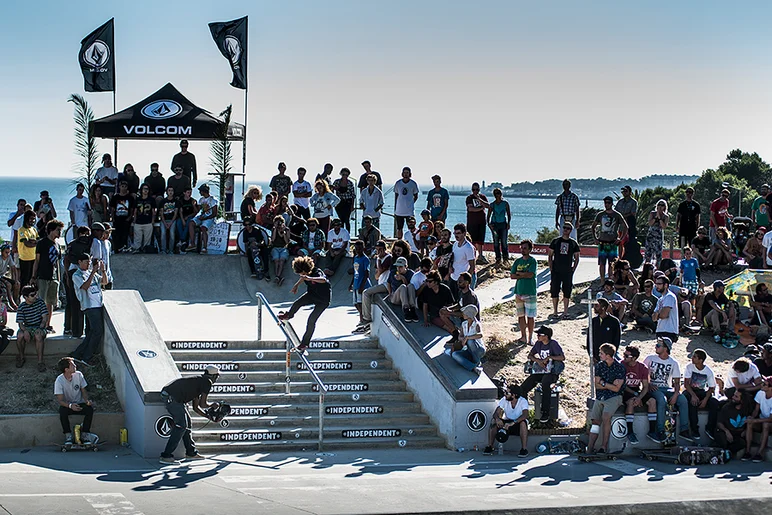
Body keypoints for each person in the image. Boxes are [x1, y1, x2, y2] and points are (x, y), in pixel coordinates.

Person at [159, 366, 219, 464]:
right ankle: (166, 456)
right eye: (217, 376)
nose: (217, 379)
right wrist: (212, 405)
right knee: (181, 426)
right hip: (172, 397)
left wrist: (208, 416)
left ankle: (191, 452)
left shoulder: (199, 381)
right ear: (214, 376)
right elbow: (203, 404)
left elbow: (196, 408)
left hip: (172, 396)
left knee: (187, 425)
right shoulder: (207, 382)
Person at [279, 256, 332, 353]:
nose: (302, 275)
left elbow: (324, 280)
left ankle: (304, 344)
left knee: (311, 320)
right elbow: (303, 278)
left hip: (323, 300)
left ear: (306, 269)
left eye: (303, 273)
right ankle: (289, 315)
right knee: (298, 303)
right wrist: (296, 285)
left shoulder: (317, 272)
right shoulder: (304, 275)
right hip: (312, 295)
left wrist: (310, 278)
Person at [643, 337, 691, 442]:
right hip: (653, 388)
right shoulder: (650, 358)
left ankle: (684, 429)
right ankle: (659, 430)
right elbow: (643, 375)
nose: (656, 347)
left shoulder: (674, 362)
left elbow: (677, 382)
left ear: (666, 349)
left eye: (658, 345)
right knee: (661, 399)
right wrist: (649, 384)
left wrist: (675, 394)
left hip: (667, 388)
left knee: (682, 399)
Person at [587, 343, 626, 454]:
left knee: (606, 417)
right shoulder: (600, 365)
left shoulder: (619, 367)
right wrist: (608, 384)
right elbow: (597, 384)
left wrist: (603, 383)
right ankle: (590, 447)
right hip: (601, 396)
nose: (599, 355)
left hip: (614, 397)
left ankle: (604, 446)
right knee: (595, 421)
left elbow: (617, 389)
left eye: (601, 353)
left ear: (608, 355)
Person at [521, 326, 564, 423]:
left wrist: (549, 357)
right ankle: (524, 411)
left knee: (545, 384)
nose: (537, 336)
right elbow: (530, 355)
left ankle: (545, 412)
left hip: (551, 373)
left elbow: (562, 357)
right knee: (524, 387)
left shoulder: (553, 344)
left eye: (539, 335)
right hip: (541, 371)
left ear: (546, 336)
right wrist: (538, 361)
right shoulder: (538, 344)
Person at [71, 254, 108, 365]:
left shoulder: (91, 273)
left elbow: (105, 282)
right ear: (80, 262)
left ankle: (78, 353)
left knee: (92, 332)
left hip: (98, 305)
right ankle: (87, 356)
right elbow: (85, 287)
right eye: (86, 262)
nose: (88, 264)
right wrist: (93, 272)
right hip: (89, 306)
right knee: (98, 331)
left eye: (89, 262)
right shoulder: (76, 275)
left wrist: (103, 270)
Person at [54, 357, 97, 445]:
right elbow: (60, 400)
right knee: (62, 411)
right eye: (72, 365)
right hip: (68, 405)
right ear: (66, 369)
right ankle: (68, 436)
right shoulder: (59, 381)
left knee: (89, 409)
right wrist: (70, 406)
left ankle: (85, 435)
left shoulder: (79, 375)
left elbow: (83, 391)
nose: (75, 366)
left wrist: (86, 401)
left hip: (79, 403)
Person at [681, 348, 719, 442]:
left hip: (701, 391)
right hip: (690, 391)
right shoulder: (689, 367)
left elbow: (711, 388)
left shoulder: (708, 371)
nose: (692, 358)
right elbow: (686, 384)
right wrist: (693, 395)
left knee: (714, 403)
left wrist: (706, 399)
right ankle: (694, 429)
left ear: (701, 360)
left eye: (694, 357)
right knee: (693, 402)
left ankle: (710, 428)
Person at [621, 345, 657, 445]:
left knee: (652, 401)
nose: (624, 357)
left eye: (626, 355)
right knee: (631, 402)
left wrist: (640, 397)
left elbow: (645, 386)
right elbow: (622, 385)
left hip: (637, 391)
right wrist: (636, 395)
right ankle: (630, 431)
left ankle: (652, 431)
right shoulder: (622, 365)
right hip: (626, 391)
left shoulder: (642, 368)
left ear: (634, 358)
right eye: (624, 354)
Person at [32, 219, 63, 333]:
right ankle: (39, 324)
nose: (60, 233)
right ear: (51, 230)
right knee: (41, 302)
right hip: (43, 276)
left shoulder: (57, 245)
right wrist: (34, 276)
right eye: (58, 230)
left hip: (53, 277)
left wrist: (58, 278)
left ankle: (48, 324)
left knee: (51, 302)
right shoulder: (42, 243)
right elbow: (37, 260)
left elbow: (57, 263)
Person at [483, 383, 530, 457]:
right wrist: (498, 419)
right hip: (507, 422)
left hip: (517, 422)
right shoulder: (504, 400)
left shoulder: (522, 401)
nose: (505, 394)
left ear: (514, 395)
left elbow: (525, 415)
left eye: (507, 393)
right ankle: (490, 447)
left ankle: (524, 449)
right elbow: (496, 413)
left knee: (523, 424)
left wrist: (513, 422)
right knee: (493, 421)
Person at [63, 226, 92, 337]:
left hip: (82, 273)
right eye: (85, 234)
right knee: (73, 303)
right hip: (73, 273)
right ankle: (71, 329)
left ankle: (77, 329)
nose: (87, 237)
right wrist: (66, 275)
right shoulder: (74, 244)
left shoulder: (85, 244)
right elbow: (66, 260)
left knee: (78, 303)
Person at [547, 223, 580, 319]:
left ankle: (565, 312)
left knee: (567, 291)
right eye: (564, 228)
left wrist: (573, 269)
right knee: (554, 290)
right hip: (556, 270)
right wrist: (551, 268)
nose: (566, 230)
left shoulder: (573, 243)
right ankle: (555, 312)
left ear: (571, 230)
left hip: (567, 271)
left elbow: (577, 257)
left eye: (568, 228)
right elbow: (550, 255)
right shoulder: (555, 241)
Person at [592, 196, 628, 280]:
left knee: (612, 263)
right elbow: (593, 227)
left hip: (612, 243)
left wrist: (620, 239)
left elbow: (626, 227)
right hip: (602, 242)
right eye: (605, 203)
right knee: (602, 263)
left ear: (612, 203)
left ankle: (610, 280)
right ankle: (602, 280)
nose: (606, 204)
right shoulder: (600, 215)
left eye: (608, 203)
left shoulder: (617, 215)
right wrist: (595, 238)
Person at [15, 285, 48, 371]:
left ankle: (40, 362)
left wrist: (40, 328)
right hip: (27, 327)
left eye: (35, 294)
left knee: (38, 335)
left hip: (39, 326)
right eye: (32, 295)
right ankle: (21, 358)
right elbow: (20, 323)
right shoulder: (21, 307)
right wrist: (25, 331)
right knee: (19, 336)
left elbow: (44, 319)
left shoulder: (40, 303)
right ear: (25, 297)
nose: (35, 297)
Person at [438, 272, 479, 340]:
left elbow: (466, 315)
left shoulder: (470, 297)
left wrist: (449, 312)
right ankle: (455, 333)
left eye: (460, 281)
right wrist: (449, 308)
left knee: (445, 313)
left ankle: (460, 335)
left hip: (468, 321)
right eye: (458, 281)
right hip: (462, 317)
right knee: (442, 312)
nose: (457, 283)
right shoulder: (461, 292)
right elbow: (459, 304)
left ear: (466, 283)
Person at [744, 376, 772, 462]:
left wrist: (755, 420)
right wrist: (752, 417)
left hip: (769, 422)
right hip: (761, 419)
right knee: (750, 423)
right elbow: (756, 410)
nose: (762, 385)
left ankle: (760, 453)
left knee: (766, 425)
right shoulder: (760, 393)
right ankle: (747, 451)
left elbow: (770, 419)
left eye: (764, 384)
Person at [451, 305, 486, 373]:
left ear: (469, 314)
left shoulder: (477, 324)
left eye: (464, 313)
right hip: (469, 350)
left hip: (479, 349)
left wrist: (467, 338)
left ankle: (477, 362)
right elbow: (460, 337)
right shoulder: (464, 324)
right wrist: (463, 339)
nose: (463, 314)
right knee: (455, 354)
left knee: (470, 341)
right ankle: (474, 367)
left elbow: (480, 335)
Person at [716, 389, 751, 457]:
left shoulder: (747, 409)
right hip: (726, 432)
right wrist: (726, 431)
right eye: (734, 395)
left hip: (737, 435)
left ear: (742, 400)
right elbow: (719, 423)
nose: (733, 397)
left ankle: (727, 452)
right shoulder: (726, 407)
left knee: (742, 443)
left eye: (736, 397)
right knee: (722, 439)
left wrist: (746, 430)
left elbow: (750, 421)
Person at [185, 184, 218, 253]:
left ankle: (205, 247)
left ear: (204, 191)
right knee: (191, 223)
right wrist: (194, 205)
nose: (199, 192)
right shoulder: (201, 199)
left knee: (203, 228)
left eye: (200, 191)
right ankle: (192, 243)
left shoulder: (212, 200)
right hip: (202, 216)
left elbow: (214, 213)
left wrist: (206, 218)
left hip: (209, 217)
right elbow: (197, 211)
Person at [385, 256, 418, 321]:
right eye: (397, 266)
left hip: (407, 298)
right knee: (402, 287)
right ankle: (406, 310)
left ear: (406, 266)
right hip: (396, 297)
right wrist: (390, 293)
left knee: (410, 285)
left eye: (401, 267)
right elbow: (388, 283)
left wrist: (403, 278)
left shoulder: (411, 273)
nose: (398, 269)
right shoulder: (393, 273)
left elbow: (410, 288)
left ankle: (412, 309)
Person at [393, 167, 420, 239]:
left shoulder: (413, 184)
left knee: (411, 227)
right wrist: (396, 208)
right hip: (399, 211)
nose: (405, 174)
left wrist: (410, 203)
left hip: (409, 211)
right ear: (402, 174)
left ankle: (412, 241)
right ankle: (400, 241)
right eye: (404, 173)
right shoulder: (398, 183)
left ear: (410, 174)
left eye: (407, 173)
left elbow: (416, 196)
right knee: (399, 228)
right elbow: (396, 195)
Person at [109, 180, 136, 253]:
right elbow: (112, 208)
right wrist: (113, 217)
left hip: (126, 219)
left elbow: (132, 209)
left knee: (125, 234)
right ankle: (117, 248)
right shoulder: (115, 197)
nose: (123, 188)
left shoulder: (130, 198)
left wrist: (130, 217)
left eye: (125, 186)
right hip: (117, 218)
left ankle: (124, 247)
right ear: (119, 187)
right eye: (122, 186)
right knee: (117, 234)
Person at [487, 188, 511, 267]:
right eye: (496, 194)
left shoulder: (505, 203)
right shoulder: (492, 204)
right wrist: (489, 224)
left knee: (504, 242)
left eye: (499, 193)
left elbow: (508, 214)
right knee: (496, 242)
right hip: (495, 225)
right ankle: (498, 258)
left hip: (503, 224)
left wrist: (508, 223)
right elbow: (489, 214)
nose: (498, 195)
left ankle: (505, 258)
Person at [450, 223, 476, 296]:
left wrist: (466, 280)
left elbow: (472, 266)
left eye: (458, 233)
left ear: (464, 233)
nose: (456, 235)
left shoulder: (468, 248)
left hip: (463, 280)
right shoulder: (455, 244)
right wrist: (450, 267)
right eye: (455, 233)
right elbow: (453, 259)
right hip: (454, 277)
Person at [466, 182, 489, 263]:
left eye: (477, 189)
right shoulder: (469, 198)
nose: (475, 191)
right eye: (473, 189)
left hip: (481, 221)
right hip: (472, 222)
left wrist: (479, 199)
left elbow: (487, 206)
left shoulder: (483, 197)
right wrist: (480, 209)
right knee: (472, 239)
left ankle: (480, 255)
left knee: (480, 239)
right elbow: (471, 209)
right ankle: (471, 255)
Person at [653, 274, 680, 342]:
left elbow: (664, 315)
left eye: (659, 284)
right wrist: (659, 314)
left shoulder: (669, 297)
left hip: (669, 331)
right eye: (656, 284)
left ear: (665, 285)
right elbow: (653, 318)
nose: (657, 286)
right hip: (660, 330)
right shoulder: (660, 299)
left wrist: (658, 314)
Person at [352, 240, 371, 327]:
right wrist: (351, 284)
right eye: (357, 249)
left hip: (362, 285)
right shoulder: (355, 258)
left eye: (360, 249)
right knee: (355, 303)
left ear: (363, 248)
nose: (358, 250)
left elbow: (367, 274)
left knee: (361, 303)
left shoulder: (365, 259)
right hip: (356, 284)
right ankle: (361, 318)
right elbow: (355, 272)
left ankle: (363, 319)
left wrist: (361, 287)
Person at [645, 200, 669, 267]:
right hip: (651, 236)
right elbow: (650, 223)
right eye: (659, 205)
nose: (660, 206)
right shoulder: (652, 213)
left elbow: (664, 226)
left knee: (658, 256)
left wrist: (660, 217)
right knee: (648, 254)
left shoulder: (666, 216)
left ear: (665, 207)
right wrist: (656, 218)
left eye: (662, 205)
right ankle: (647, 269)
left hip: (659, 237)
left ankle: (657, 269)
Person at [17, 210, 39, 287]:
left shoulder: (34, 230)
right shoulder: (21, 230)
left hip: (34, 257)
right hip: (25, 258)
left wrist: (34, 241)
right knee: (24, 279)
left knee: (32, 278)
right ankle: (21, 295)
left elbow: (38, 240)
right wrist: (34, 242)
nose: (32, 221)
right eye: (31, 218)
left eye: (34, 219)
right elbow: (27, 244)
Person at [332, 167, 357, 233]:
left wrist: (352, 206)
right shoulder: (337, 182)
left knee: (347, 220)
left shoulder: (350, 183)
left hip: (347, 203)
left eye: (346, 175)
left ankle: (347, 234)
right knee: (341, 220)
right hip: (339, 203)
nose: (345, 176)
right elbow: (331, 191)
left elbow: (353, 195)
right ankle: (341, 234)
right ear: (341, 174)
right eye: (343, 174)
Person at [132, 184, 156, 251]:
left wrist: (153, 221)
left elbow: (153, 211)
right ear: (141, 190)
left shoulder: (152, 200)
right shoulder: (137, 199)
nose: (145, 190)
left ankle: (145, 251)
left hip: (148, 222)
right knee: (137, 239)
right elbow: (135, 211)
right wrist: (134, 220)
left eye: (147, 189)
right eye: (144, 189)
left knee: (147, 241)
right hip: (138, 222)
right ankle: (137, 250)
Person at [270, 216, 290, 285]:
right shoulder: (273, 229)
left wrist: (283, 233)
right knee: (276, 260)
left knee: (281, 260)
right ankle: (277, 276)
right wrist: (275, 229)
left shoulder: (287, 230)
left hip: (283, 248)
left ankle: (278, 276)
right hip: (275, 247)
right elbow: (273, 239)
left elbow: (287, 242)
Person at [158, 186, 178, 254]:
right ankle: (163, 249)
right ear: (166, 192)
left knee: (172, 234)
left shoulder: (176, 201)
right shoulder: (163, 201)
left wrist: (171, 223)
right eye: (169, 190)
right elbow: (161, 213)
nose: (170, 192)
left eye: (172, 190)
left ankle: (171, 250)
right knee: (163, 233)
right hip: (164, 220)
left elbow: (175, 213)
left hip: (172, 220)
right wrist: (164, 223)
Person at [0, 244, 19, 311]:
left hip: (2, 276)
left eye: (9, 252)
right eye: (6, 252)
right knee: (8, 285)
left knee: (17, 284)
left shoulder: (9, 258)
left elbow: (14, 268)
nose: (8, 254)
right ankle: (9, 304)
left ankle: (15, 301)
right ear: (2, 252)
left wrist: (16, 280)